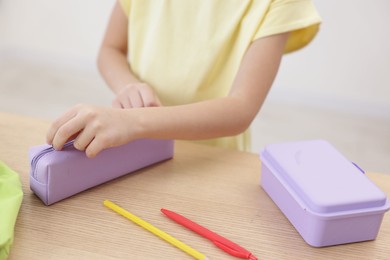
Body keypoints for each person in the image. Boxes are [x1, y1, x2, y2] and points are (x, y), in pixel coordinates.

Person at [47, 0, 321, 158]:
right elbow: (110, 50)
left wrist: (131, 121)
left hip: (211, 159)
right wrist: (128, 86)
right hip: (137, 149)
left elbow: (241, 108)